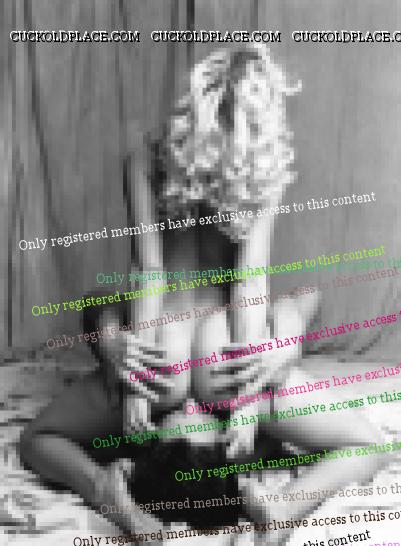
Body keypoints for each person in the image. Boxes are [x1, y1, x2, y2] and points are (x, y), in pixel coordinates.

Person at [19, 45, 387, 544]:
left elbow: (149, 272)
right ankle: (283, 509)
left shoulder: (145, 157)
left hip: (162, 357)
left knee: (40, 435)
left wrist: (136, 390)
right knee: (366, 441)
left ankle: (102, 488)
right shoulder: (264, 166)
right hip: (226, 359)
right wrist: (248, 401)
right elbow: (249, 279)